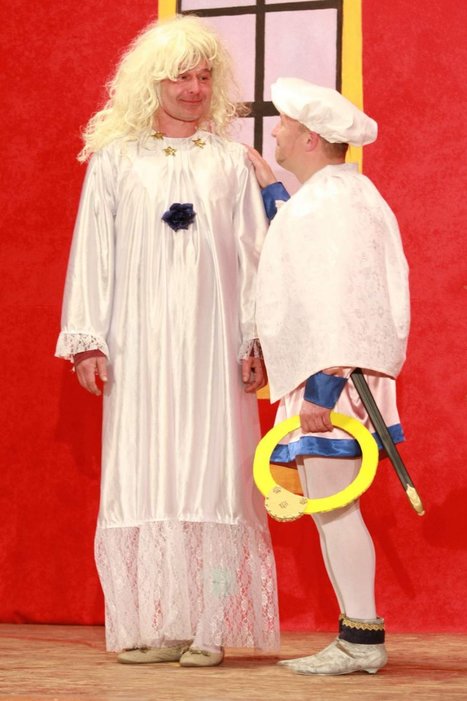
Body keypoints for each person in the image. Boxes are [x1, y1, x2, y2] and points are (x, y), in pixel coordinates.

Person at [55, 15, 279, 667]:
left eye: (204, 76)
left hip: (214, 350)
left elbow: (254, 255)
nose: (193, 88)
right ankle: (157, 622)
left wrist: (255, 338)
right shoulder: (115, 160)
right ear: (151, 82)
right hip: (140, 349)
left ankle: (210, 625)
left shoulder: (231, 162)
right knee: (144, 477)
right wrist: (88, 338)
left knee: (217, 483)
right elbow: (93, 250)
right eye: (181, 76)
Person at [250, 78, 410, 675]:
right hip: (333, 372)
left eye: (285, 125)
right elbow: (301, 252)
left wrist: (323, 387)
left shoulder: (336, 203)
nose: (276, 133)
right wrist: (271, 188)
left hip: (335, 381)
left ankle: (362, 641)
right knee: (328, 509)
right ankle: (356, 638)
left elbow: (349, 297)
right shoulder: (333, 196)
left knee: (336, 509)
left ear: (311, 138)